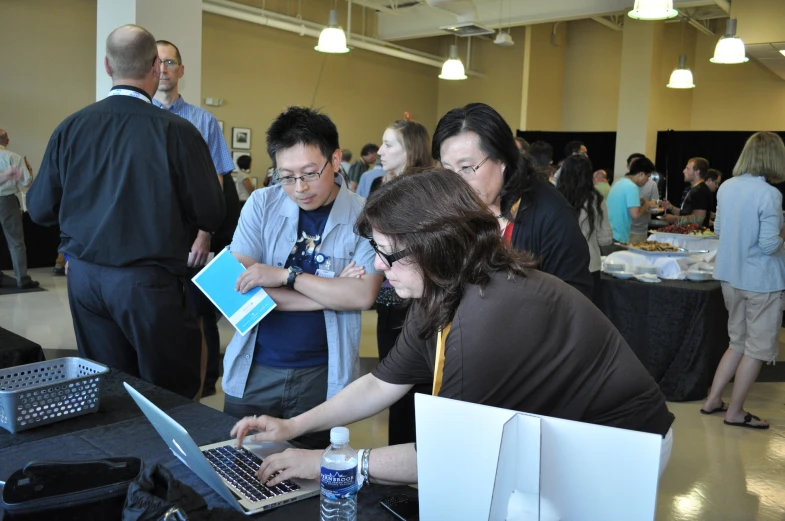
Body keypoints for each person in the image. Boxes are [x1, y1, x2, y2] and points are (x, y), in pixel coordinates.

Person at [229, 168, 674, 487]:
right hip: (565, 432)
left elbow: (449, 458)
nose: (379, 269)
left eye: (389, 255)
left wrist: (331, 462)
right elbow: (380, 385)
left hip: (622, 446)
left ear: (438, 245)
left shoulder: (486, 316)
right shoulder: (440, 287)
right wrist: (291, 427)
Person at [26, 24, 225, 399]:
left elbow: (38, 209)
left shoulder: (71, 127)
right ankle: (163, 458)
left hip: (84, 278)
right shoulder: (177, 132)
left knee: (107, 388)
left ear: (106, 66)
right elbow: (211, 211)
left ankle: (119, 456)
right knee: (169, 391)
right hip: (147, 282)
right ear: (155, 67)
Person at [222, 106, 383, 449]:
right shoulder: (261, 204)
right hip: (254, 367)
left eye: (310, 173)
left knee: (311, 475)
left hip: (323, 373)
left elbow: (362, 296)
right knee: (238, 465)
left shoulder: (366, 215)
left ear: (335, 160)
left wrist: (283, 276)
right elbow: (236, 288)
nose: (299, 188)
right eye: (286, 176)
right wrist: (329, 292)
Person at [433, 103, 593, 299]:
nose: (457, 183)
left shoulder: (551, 215)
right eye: (448, 170)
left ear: (502, 159)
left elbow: (574, 300)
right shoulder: (458, 207)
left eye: (466, 167)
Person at [154, 39, 238, 398]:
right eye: (157, 62)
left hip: (193, 235)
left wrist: (205, 234)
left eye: (171, 62)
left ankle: (203, 388)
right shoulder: (139, 119)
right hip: (153, 235)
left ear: (181, 70)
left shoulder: (203, 121)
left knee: (201, 311)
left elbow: (217, 184)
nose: (164, 69)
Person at [701, 132, 785, 430]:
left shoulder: (727, 186)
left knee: (736, 342)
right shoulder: (770, 195)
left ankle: (713, 400)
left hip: (729, 276)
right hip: (760, 281)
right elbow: (768, 245)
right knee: (757, 349)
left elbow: (720, 228)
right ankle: (735, 412)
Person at [369, 119, 431, 446]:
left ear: (411, 149)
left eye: (389, 144)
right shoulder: (379, 185)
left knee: (419, 387)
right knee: (392, 384)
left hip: (420, 303)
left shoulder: (427, 192)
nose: (380, 150)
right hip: (388, 301)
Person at [557, 155, 612, 303]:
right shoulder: (596, 199)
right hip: (589, 265)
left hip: (559, 264)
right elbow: (605, 239)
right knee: (587, 316)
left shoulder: (555, 197)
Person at [0, 129, 38, 289]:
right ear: (7, 140)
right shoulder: (13, 157)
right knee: (16, 242)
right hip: (7, 201)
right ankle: (22, 279)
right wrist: (29, 169)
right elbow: (27, 183)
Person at [606, 157, 655, 243]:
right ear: (641, 174)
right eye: (648, 176)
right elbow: (635, 214)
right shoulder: (632, 187)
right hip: (618, 236)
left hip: (609, 232)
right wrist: (647, 204)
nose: (647, 180)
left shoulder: (619, 182)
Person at [662, 157, 712, 227]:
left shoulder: (700, 191)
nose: (684, 171)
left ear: (697, 172)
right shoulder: (695, 189)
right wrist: (671, 207)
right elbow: (685, 213)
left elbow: (699, 219)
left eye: (687, 169)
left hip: (695, 236)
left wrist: (675, 219)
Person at [627, 153, 660, 243]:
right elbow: (635, 214)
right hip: (625, 230)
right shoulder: (627, 184)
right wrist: (646, 204)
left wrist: (649, 205)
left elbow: (656, 205)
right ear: (628, 166)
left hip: (640, 230)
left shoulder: (651, 184)